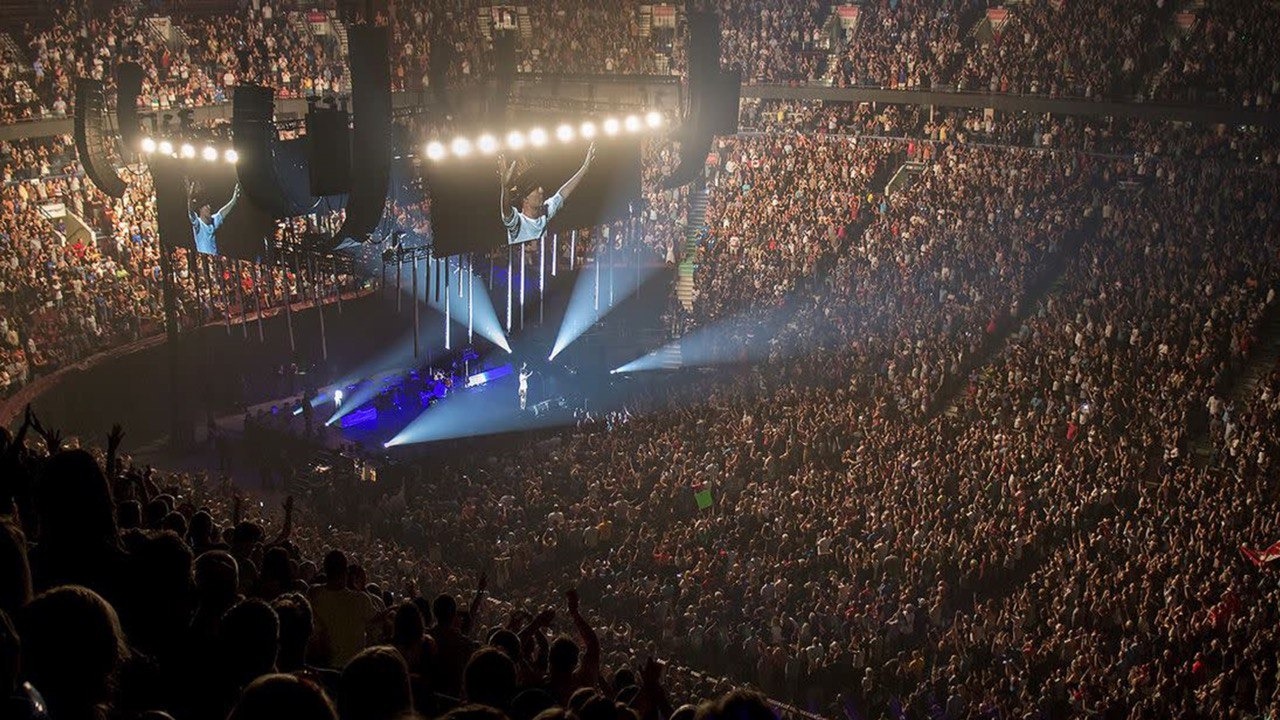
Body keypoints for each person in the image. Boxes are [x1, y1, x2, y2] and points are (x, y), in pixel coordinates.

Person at [499, 143, 595, 245]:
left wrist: (584, 169)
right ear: (525, 198)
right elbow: (507, 213)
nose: (541, 190)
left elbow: (562, 193)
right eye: (535, 189)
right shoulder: (518, 222)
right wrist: (505, 187)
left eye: (540, 186)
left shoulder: (545, 212)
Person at [189, 181, 242, 255]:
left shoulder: (213, 221)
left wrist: (234, 199)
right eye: (206, 206)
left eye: (209, 206)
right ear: (200, 210)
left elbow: (222, 212)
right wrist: (190, 197)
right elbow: (190, 212)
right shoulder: (198, 224)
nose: (209, 208)